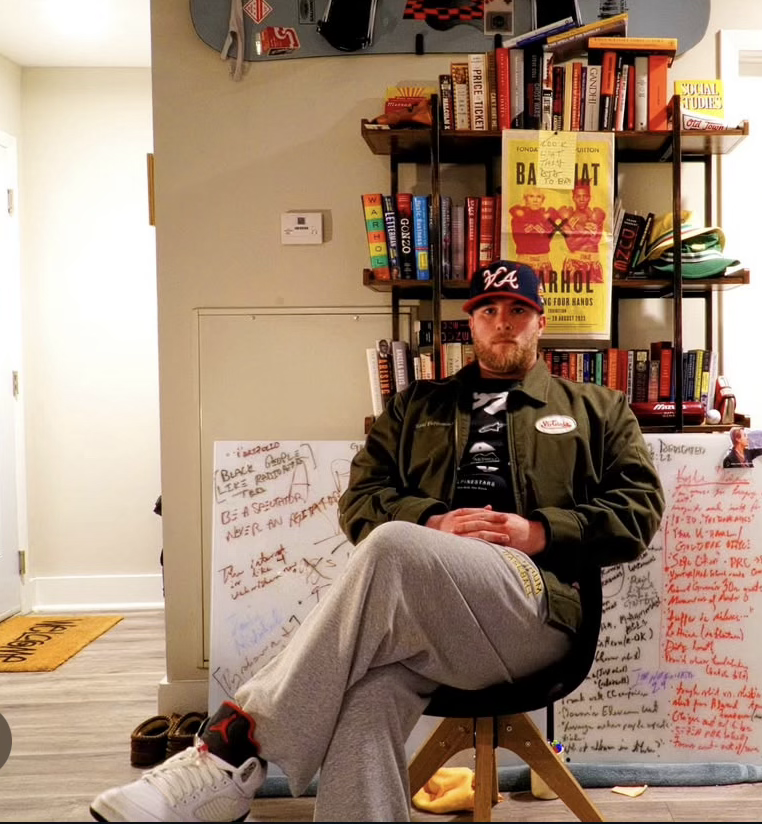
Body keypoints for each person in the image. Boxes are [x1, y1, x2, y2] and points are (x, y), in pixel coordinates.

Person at [90, 260, 665, 823]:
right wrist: (436, 524)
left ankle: (229, 752)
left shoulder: (596, 409)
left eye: (519, 310)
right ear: (471, 324)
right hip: (430, 622)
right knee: (365, 700)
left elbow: (640, 509)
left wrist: (538, 531)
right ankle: (238, 764)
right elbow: (359, 500)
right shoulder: (417, 406)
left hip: (533, 611)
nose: (504, 321)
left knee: (392, 545)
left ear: (540, 322)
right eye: (489, 309)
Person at [557, 181, 607, 284]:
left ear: (589, 197)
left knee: (596, 297)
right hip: (574, 264)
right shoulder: (568, 216)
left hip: (594, 264)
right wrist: (586, 231)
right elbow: (572, 244)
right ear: (573, 198)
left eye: (585, 196)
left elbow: (595, 240)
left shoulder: (596, 216)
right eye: (578, 196)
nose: (582, 199)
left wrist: (578, 231)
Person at [508, 186, 558, 279]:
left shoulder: (548, 216)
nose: (535, 200)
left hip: (544, 264)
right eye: (531, 196)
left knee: (546, 292)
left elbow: (558, 214)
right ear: (525, 199)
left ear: (543, 200)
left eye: (539, 197)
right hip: (524, 263)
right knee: (522, 293)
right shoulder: (518, 216)